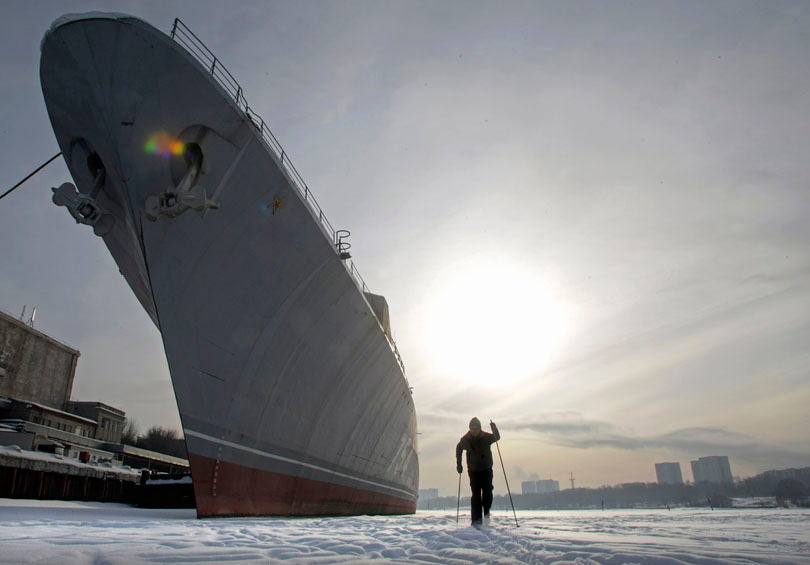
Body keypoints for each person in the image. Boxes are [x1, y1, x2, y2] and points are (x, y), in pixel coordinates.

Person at [456, 417, 500, 527]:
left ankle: (486, 512)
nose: (474, 431)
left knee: (487, 492)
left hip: (486, 469)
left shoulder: (486, 437)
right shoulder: (466, 439)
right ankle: (476, 520)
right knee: (476, 494)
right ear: (470, 429)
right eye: (472, 429)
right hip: (473, 470)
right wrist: (459, 464)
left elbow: (497, 437)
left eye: (476, 429)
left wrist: (494, 428)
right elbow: (459, 448)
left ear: (480, 428)